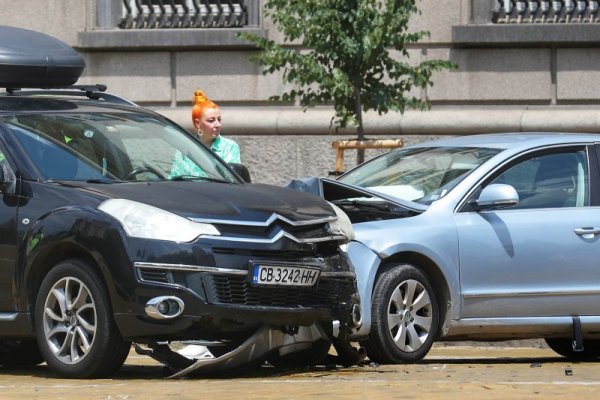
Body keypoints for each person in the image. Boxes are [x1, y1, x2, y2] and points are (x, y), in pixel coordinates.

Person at [191, 89, 240, 163]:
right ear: (198, 123)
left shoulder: (229, 147)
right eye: (211, 120)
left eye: (219, 120)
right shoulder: (186, 146)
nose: (218, 124)